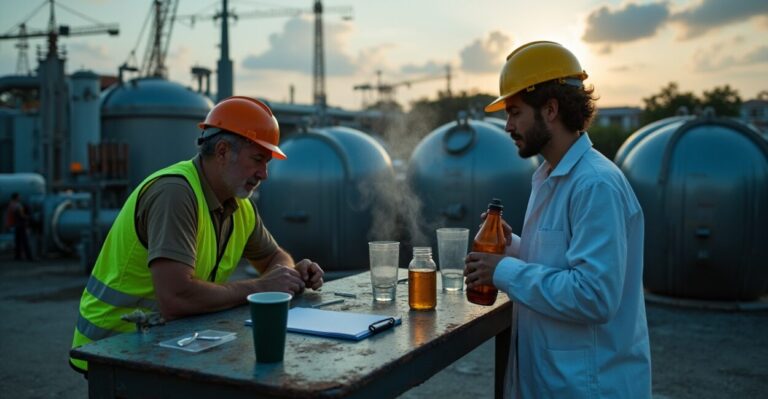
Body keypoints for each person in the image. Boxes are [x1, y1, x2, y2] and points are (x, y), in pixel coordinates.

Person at [70, 96, 324, 373]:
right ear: (224, 151)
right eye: (257, 159)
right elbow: (176, 298)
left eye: (267, 162)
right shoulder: (175, 194)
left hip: (170, 344)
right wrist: (261, 287)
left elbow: (275, 256)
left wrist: (288, 276)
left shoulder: (240, 205)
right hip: (116, 348)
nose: (264, 173)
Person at [464, 41, 651, 398]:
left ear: (550, 109)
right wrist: (513, 247)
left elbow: (594, 295)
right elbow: (562, 261)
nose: (507, 126)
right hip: (559, 383)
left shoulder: (595, 185)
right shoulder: (552, 176)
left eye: (515, 112)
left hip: (590, 387)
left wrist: (500, 271)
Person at [7, 192, 34, 261]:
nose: (20, 198)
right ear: (16, 197)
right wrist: (29, 217)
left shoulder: (11, 204)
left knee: (17, 241)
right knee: (24, 241)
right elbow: (22, 215)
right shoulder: (18, 205)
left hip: (16, 225)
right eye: (19, 197)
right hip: (21, 225)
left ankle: (17, 256)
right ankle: (29, 256)